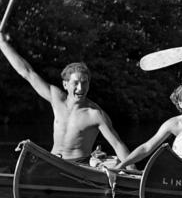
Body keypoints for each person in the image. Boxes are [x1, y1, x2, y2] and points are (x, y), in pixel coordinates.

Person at [0, 33, 129, 163]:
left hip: (77, 167)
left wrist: (133, 173)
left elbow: (118, 145)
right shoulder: (56, 99)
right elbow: (27, 72)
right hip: (52, 162)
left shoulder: (95, 114)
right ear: (65, 84)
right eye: (76, 83)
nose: (80, 88)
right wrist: (3, 44)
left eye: (85, 83)